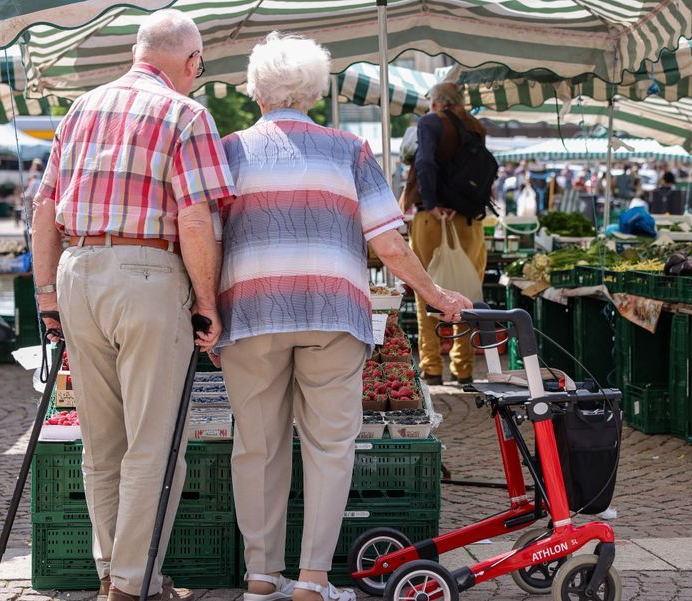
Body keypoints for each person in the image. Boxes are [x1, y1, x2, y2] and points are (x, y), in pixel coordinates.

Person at [214, 33, 472, 601]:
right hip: (334, 312)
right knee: (331, 447)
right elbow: (390, 243)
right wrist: (433, 293)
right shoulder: (349, 151)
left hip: (251, 313)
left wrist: (206, 307)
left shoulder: (228, 151)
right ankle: (311, 581)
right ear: (312, 90)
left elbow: (206, 238)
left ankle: (261, 577)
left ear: (256, 90)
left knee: (257, 446)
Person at [30, 10, 234, 601]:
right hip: (146, 271)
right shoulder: (186, 113)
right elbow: (195, 217)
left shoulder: (81, 107)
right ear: (190, 61)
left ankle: (113, 574)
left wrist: (47, 296)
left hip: (78, 270)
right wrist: (206, 301)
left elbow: (45, 210)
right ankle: (130, 583)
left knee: (103, 443)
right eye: (200, 64)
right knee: (156, 443)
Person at [407, 82, 489, 385]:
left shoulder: (430, 123)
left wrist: (431, 202)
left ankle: (431, 367)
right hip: (469, 222)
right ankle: (463, 368)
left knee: (425, 291)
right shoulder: (476, 127)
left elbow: (425, 162)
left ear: (437, 103)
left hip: (432, 219)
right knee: (465, 295)